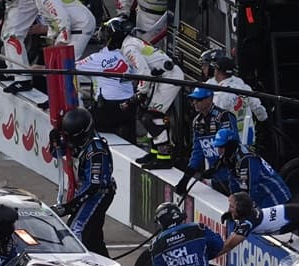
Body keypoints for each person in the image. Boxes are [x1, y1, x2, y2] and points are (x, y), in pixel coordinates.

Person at [109, 17, 183, 167]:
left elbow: (143, 72)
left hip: (170, 77)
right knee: (143, 113)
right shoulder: (129, 43)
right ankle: (154, 153)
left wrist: (140, 93)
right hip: (161, 77)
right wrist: (141, 93)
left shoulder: (129, 47)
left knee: (152, 116)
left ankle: (164, 158)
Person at [50, 107, 116, 257]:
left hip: (99, 194)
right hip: (86, 191)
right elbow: (58, 154)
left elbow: (95, 184)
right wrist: (53, 140)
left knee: (75, 232)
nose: (70, 142)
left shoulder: (96, 151)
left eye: (73, 138)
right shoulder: (79, 141)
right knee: (93, 240)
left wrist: (69, 207)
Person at [76, 17, 137, 143]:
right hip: (130, 106)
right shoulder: (132, 54)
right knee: (131, 142)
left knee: (88, 133)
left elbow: (68, 67)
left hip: (106, 109)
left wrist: (40, 68)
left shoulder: (97, 58)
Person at [174, 88, 238, 196]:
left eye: (198, 100)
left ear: (209, 99)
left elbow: (233, 145)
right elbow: (197, 152)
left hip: (234, 176)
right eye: (193, 99)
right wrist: (186, 178)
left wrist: (217, 166)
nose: (195, 103)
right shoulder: (197, 121)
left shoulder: (224, 117)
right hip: (216, 179)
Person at [218, 192, 299, 256]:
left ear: (240, 209)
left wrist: (209, 257)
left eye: (231, 207)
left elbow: (228, 246)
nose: (229, 209)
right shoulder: (249, 214)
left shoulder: (248, 223)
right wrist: (231, 214)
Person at [208, 128, 291, 208]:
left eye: (221, 147)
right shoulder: (230, 158)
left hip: (275, 195)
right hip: (261, 196)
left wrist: (239, 208)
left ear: (230, 145)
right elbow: (234, 186)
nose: (219, 151)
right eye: (218, 147)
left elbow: (249, 191)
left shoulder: (246, 159)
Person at [201, 51, 268, 147]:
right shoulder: (242, 85)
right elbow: (258, 108)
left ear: (217, 71)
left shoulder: (219, 94)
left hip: (227, 140)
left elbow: (211, 117)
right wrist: (264, 120)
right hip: (247, 136)